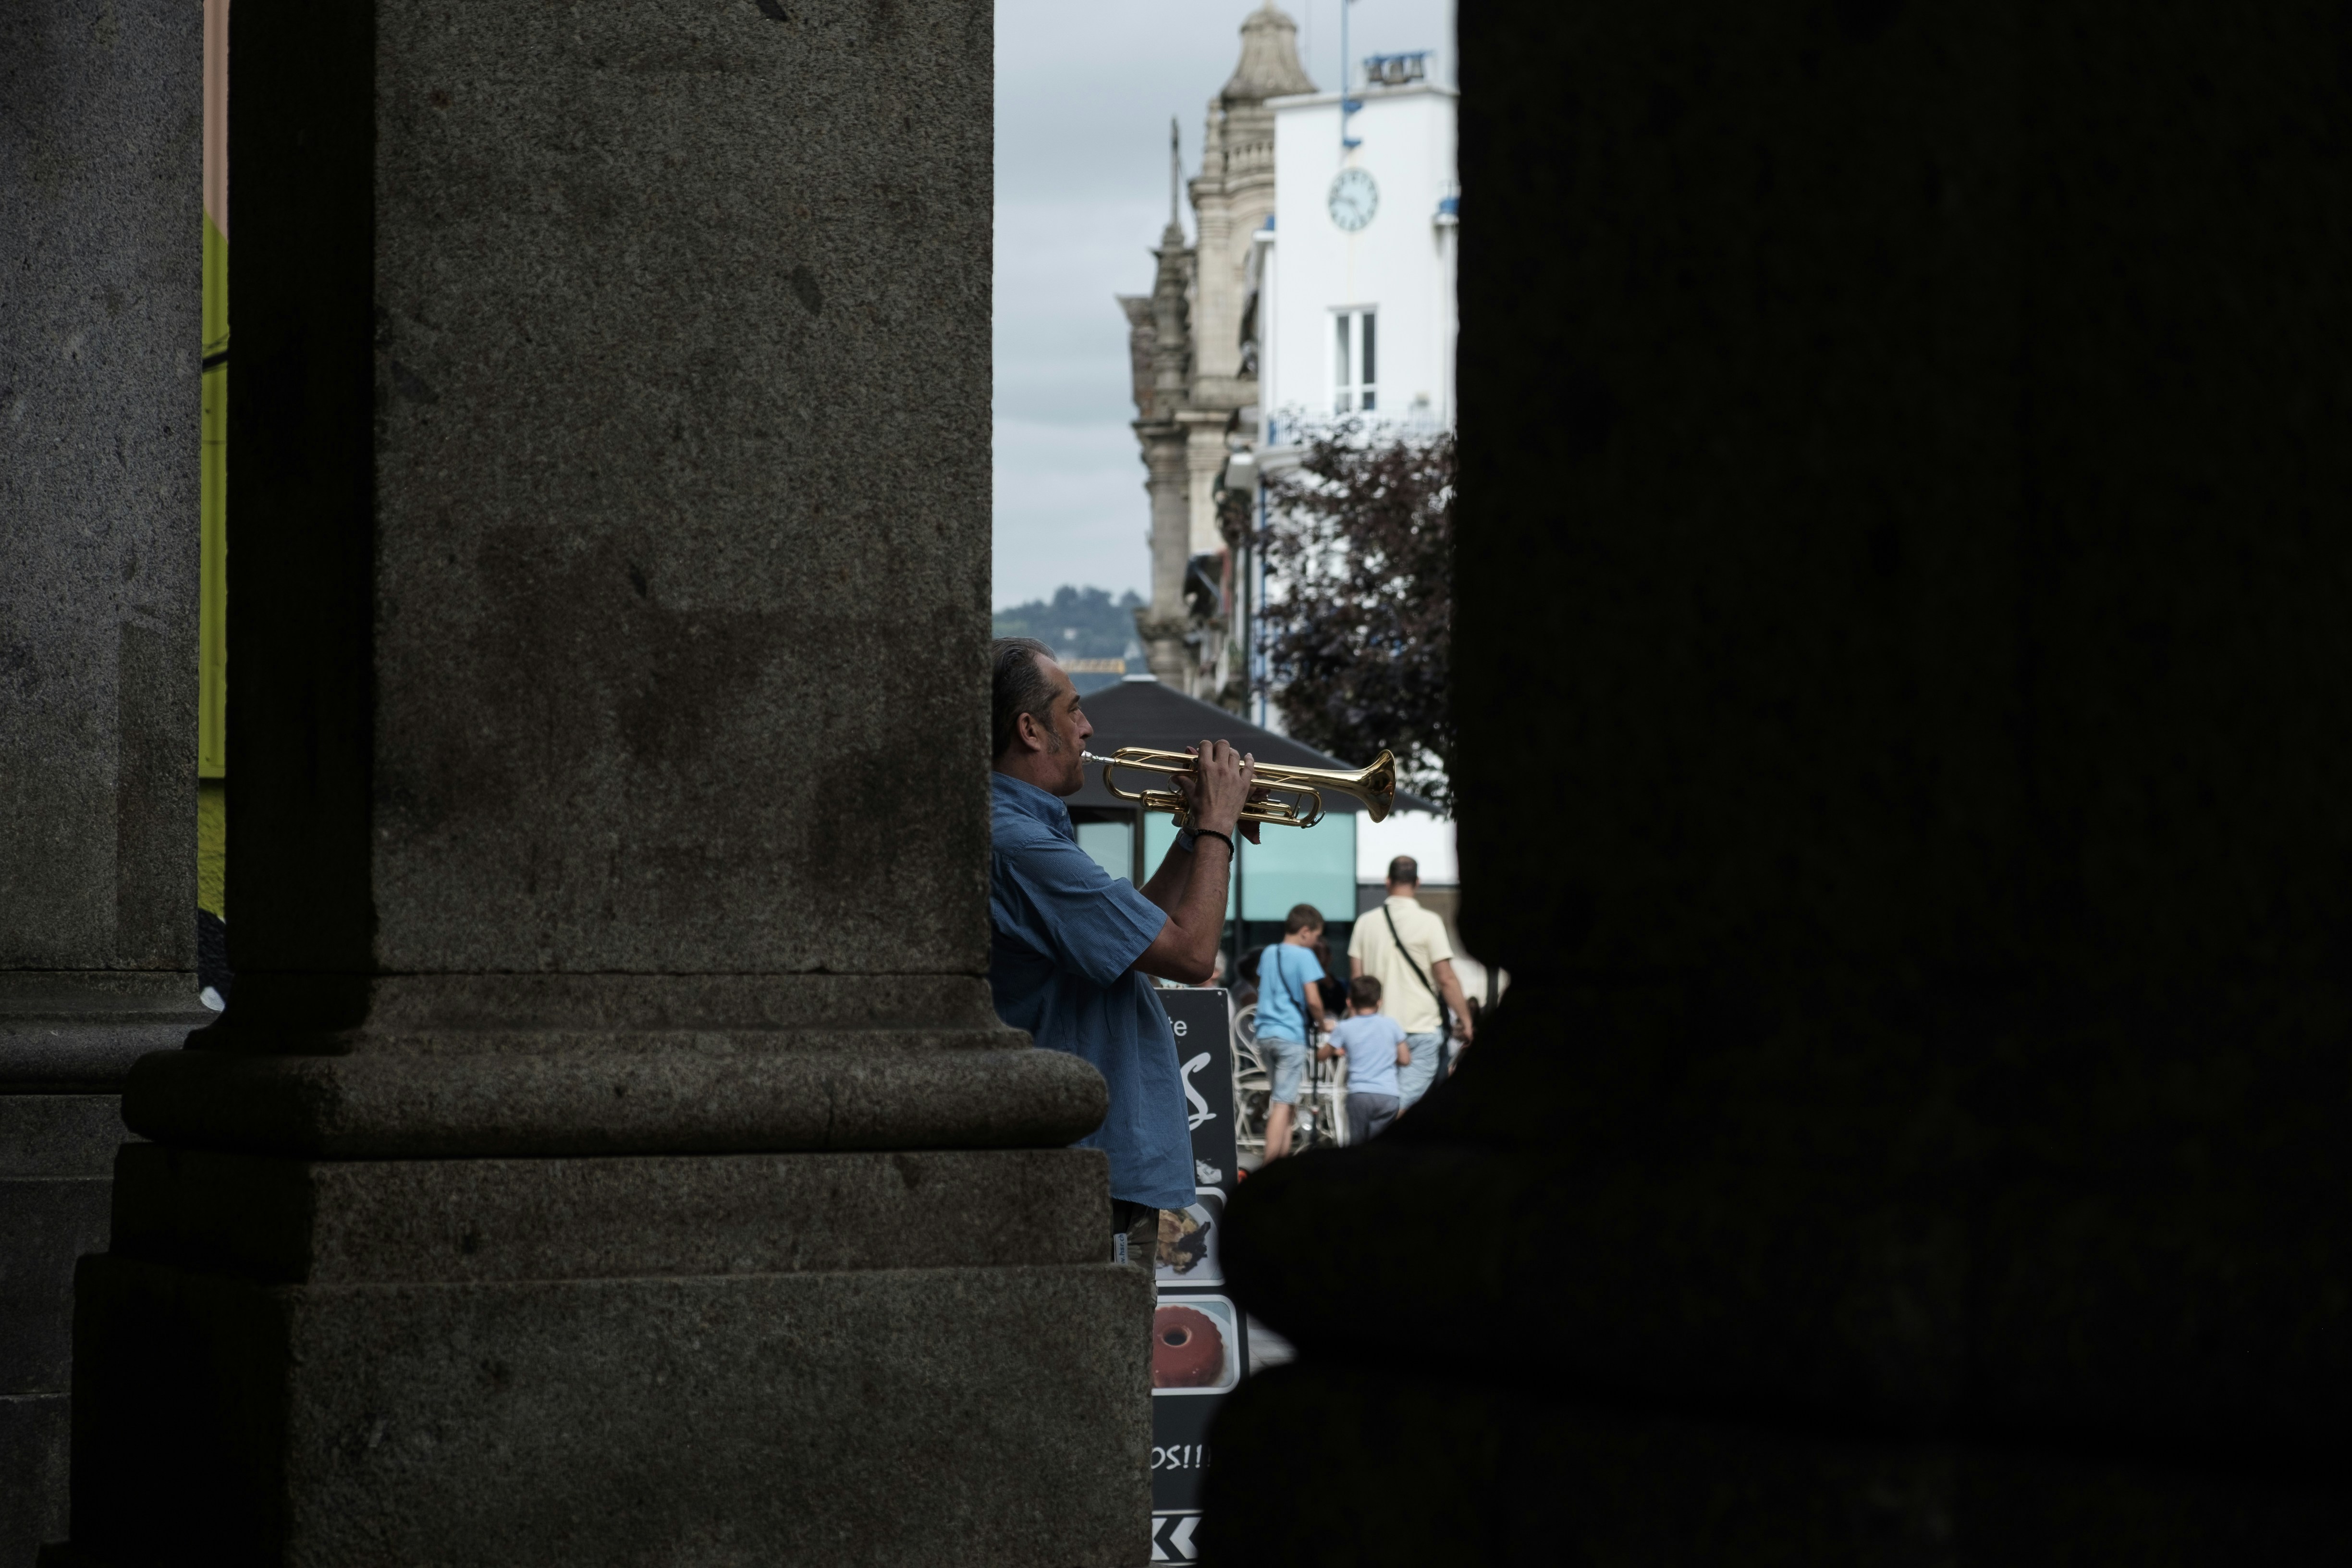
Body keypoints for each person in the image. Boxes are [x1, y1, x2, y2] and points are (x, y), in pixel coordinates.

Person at [985, 637, 1260, 1268]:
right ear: (1030, 730)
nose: (1088, 727)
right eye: (1073, 710)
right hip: (1090, 1168)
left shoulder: (1025, 832)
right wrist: (1218, 826)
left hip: (1093, 1164)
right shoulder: (1022, 845)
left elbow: (1138, 937)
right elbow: (1192, 956)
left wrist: (1193, 834)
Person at [1348, 855, 1475, 1111]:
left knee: (1383, 1098)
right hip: (1420, 1027)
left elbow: (1357, 980)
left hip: (1378, 1029)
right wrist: (1466, 1020)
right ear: (1418, 882)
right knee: (1401, 1105)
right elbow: (1446, 978)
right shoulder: (1430, 922)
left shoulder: (1365, 923)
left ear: (1388, 881)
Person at [1250, 904, 1330, 1163]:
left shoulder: (1269, 953)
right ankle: (1269, 1167)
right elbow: (1313, 1000)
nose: (1316, 942)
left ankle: (1281, 1162)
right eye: (1316, 936)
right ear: (1305, 931)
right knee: (1283, 1104)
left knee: (1287, 1102)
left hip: (1265, 1034)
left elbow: (1263, 987)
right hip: (1290, 1035)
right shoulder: (1305, 956)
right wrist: (1323, 1023)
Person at [1323, 975, 1409, 1141]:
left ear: (1350, 1003)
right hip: (1388, 1095)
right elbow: (1405, 1059)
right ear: (1380, 1002)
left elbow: (1323, 1055)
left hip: (1359, 1094)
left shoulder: (1345, 1027)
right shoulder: (1392, 1025)